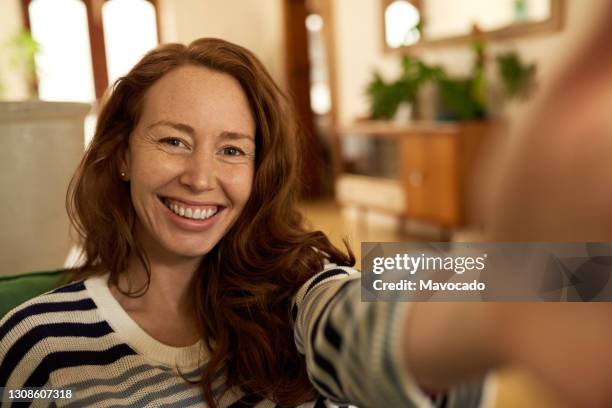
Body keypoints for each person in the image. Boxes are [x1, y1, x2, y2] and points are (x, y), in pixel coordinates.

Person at [0, 36, 611, 408]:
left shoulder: (296, 286)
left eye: (233, 149)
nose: (201, 177)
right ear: (123, 153)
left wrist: (546, 273)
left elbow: (369, 306)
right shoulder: (37, 343)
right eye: (174, 141)